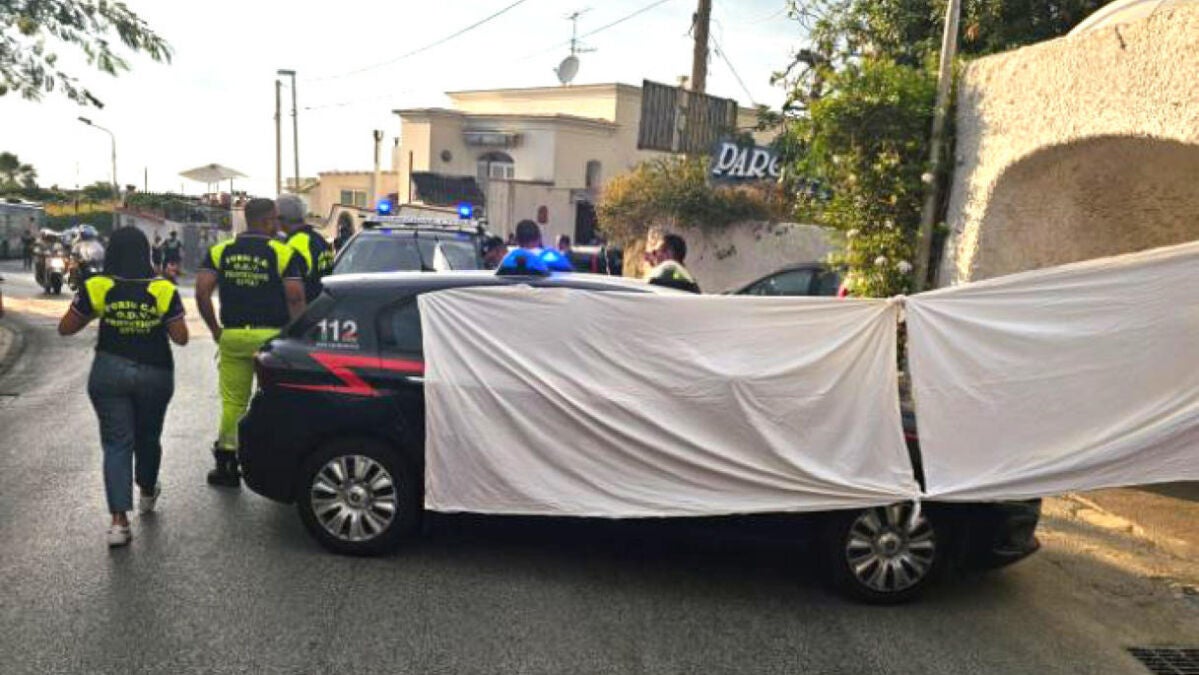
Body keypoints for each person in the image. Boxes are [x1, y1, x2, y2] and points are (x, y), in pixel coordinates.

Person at [57, 227, 188, 547]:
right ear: (146, 253)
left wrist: (100, 312)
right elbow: (181, 337)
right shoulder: (162, 288)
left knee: (117, 443)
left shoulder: (97, 286)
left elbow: (66, 328)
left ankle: (118, 522)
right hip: (155, 372)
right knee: (148, 436)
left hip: (109, 372)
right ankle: (147, 489)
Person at [195, 198, 306, 487]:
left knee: (233, 402)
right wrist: (298, 336)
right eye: (275, 219)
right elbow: (295, 298)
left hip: (233, 335)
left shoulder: (221, 251)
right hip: (271, 339)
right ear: (268, 220)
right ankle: (274, 459)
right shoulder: (282, 252)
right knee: (274, 399)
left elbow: (202, 292)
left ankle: (226, 464)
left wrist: (215, 330)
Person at [278, 194, 332, 303]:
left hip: (306, 307)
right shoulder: (320, 239)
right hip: (325, 304)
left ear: (281, 219)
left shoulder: (293, 244)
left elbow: (293, 289)